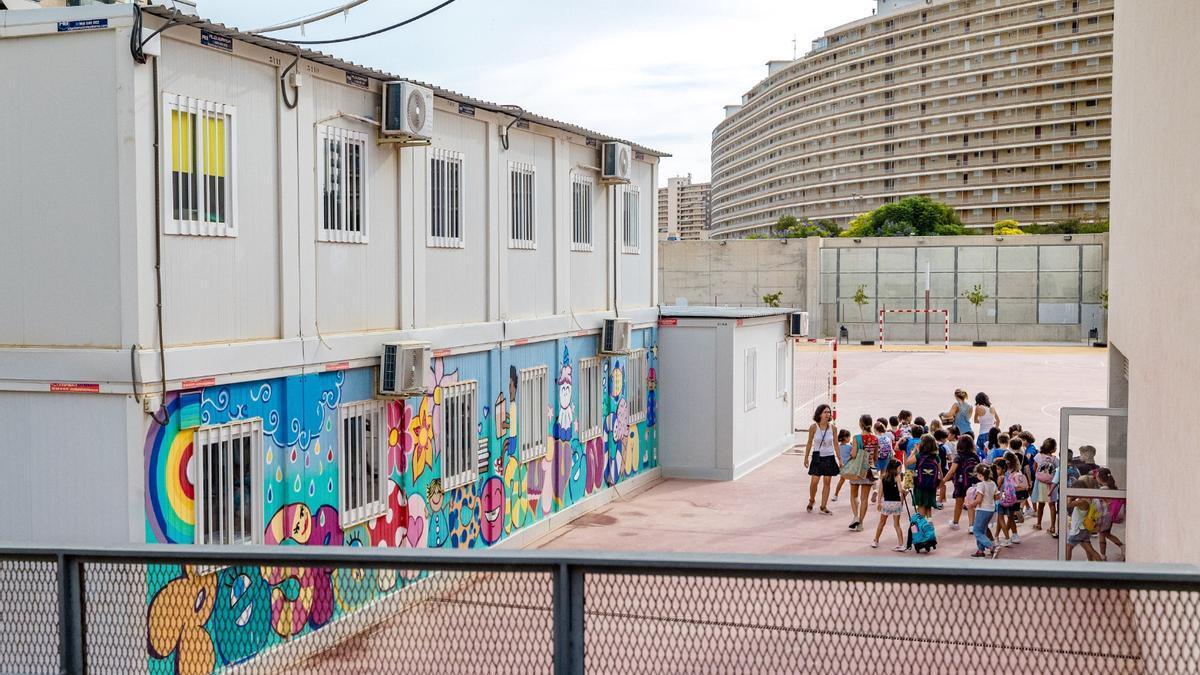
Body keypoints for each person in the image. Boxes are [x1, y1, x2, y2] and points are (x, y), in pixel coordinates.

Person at [844, 414, 879, 532]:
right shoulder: (875, 438)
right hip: (869, 471)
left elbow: (853, 454)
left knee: (854, 495)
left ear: (860, 424)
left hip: (857, 470)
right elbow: (875, 457)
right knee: (865, 499)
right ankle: (861, 524)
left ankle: (855, 517)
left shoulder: (856, 438)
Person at [803, 404, 840, 515]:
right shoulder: (814, 427)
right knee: (814, 482)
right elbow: (809, 442)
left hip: (829, 456)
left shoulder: (833, 428)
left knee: (827, 481)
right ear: (819, 414)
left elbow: (836, 444)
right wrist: (806, 457)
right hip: (817, 456)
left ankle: (823, 506)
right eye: (825, 412)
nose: (827, 414)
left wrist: (840, 459)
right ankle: (812, 499)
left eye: (828, 412)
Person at [944, 435, 980, 530]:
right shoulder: (975, 456)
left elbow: (952, 471)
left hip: (960, 484)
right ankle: (971, 525)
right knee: (971, 504)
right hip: (972, 484)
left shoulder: (958, 457)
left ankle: (955, 523)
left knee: (959, 503)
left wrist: (943, 481)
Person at [872, 460, 907, 551]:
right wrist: (905, 491)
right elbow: (900, 490)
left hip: (887, 503)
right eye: (899, 468)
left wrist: (879, 502)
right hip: (896, 503)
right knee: (897, 525)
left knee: (882, 522)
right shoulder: (898, 477)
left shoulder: (883, 477)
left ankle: (876, 540)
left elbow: (880, 492)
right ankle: (901, 544)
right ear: (895, 468)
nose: (900, 470)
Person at [1066, 476, 1103, 561]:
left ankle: (1065, 567)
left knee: (1068, 547)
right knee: (1090, 550)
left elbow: (1068, 504)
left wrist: (1070, 496)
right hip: (1083, 529)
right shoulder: (1087, 499)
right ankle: (1097, 564)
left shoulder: (1082, 501)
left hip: (1078, 530)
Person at [906, 434, 942, 519]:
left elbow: (907, 463)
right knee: (928, 506)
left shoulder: (919, 456)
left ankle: (922, 528)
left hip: (920, 485)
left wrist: (914, 451)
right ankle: (929, 524)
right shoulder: (936, 457)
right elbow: (940, 472)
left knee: (921, 506)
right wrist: (939, 484)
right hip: (932, 486)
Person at [968, 463, 998, 558]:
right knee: (982, 529)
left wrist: (971, 504)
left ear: (980, 475)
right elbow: (997, 496)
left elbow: (979, 499)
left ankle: (990, 545)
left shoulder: (980, 484)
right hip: (991, 508)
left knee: (977, 530)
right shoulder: (992, 483)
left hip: (983, 509)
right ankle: (980, 550)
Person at [1096, 468, 1126, 560]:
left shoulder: (1103, 489)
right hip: (1109, 514)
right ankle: (1120, 546)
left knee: (1103, 533)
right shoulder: (1112, 487)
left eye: (1097, 476)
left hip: (1105, 515)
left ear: (1100, 478)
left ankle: (1103, 555)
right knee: (1106, 533)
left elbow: (1098, 502)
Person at [1032, 438, 1058, 534]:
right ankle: (1052, 527)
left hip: (1040, 484)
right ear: (1053, 449)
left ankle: (1038, 524)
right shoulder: (1055, 459)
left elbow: (1034, 467)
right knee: (1052, 505)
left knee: (1041, 504)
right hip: (1050, 485)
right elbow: (1058, 471)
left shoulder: (1038, 456)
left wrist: (1039, 476)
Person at [870, 421, 894, 503]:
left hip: (877, 459)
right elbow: (891, 450)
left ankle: (875, 490)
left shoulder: (875, 438)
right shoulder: (887, 438)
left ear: (876, 430)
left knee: (873, 476)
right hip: (886, 458)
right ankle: (883, 493)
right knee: (883, 476)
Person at [973, 392, 999, 458]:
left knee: (980, 455)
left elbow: (975, 420)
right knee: (991, 455)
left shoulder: (978, 408)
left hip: (983, 433)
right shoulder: (992, 408)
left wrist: (983, 421)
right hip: (992, 434)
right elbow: (998, 421)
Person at [831, 429, 853, 502]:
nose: (850, 438)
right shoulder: (849, 447)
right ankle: (853, 497)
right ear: (845, 438)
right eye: (849, 437)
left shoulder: (838, 447)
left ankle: (836, 495)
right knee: (853, 482)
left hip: (842, 467)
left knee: (841, 480)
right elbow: (853, 454)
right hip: (850, 466)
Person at [933, 428, 951, 508]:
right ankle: (941, 499)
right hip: (943, 469)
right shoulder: (945, 447)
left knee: (934, 485)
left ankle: (933, 500)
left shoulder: (933, 446)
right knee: (943, 484)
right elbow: (950, 458)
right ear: (942, 438)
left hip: (934, 469)